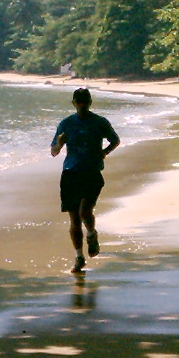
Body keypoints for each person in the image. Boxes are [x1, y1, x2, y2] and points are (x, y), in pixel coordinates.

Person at [50, 87, 120, 272]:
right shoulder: (66, 123)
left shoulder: (99, 122)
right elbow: (54, 151)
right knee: (74, 219)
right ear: (73, 103)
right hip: (70, 172)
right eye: (78, 102)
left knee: (84, 211)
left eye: (84, 102)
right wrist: (59, 142)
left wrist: (104, 153)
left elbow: (115, 140)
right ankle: (79, 257)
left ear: (90, 103)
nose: (81, 106)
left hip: (91, 172)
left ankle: (91, 234)